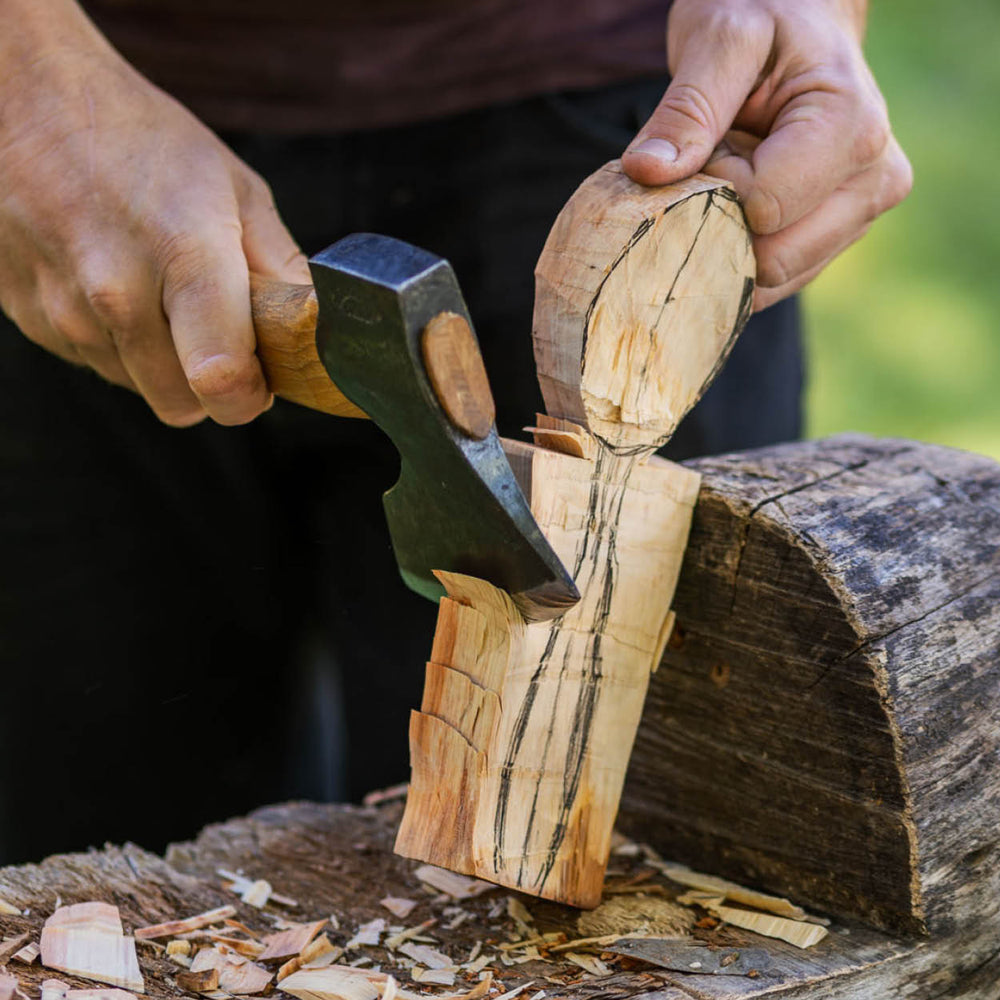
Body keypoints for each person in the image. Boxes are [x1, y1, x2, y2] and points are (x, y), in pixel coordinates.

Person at [0, 0, 910, 864]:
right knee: (92, 853)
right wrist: (24, 96)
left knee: (654, 844)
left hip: (637, 169)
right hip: (72, 110)